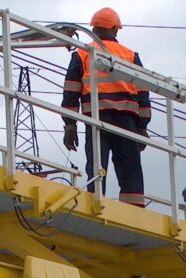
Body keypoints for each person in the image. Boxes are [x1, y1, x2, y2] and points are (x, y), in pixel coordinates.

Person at [61, 7, 151, 207]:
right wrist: (143, 126)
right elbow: (143, 93)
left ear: (95, 28)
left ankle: (95, 202)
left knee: (96, 165)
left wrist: (70, 125)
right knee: (130, 168)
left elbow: (71, 91)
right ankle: (134, 210)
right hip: (126, 121)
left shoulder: (83, 53)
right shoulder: (130, 55)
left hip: (96, 117)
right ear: (115, 30)